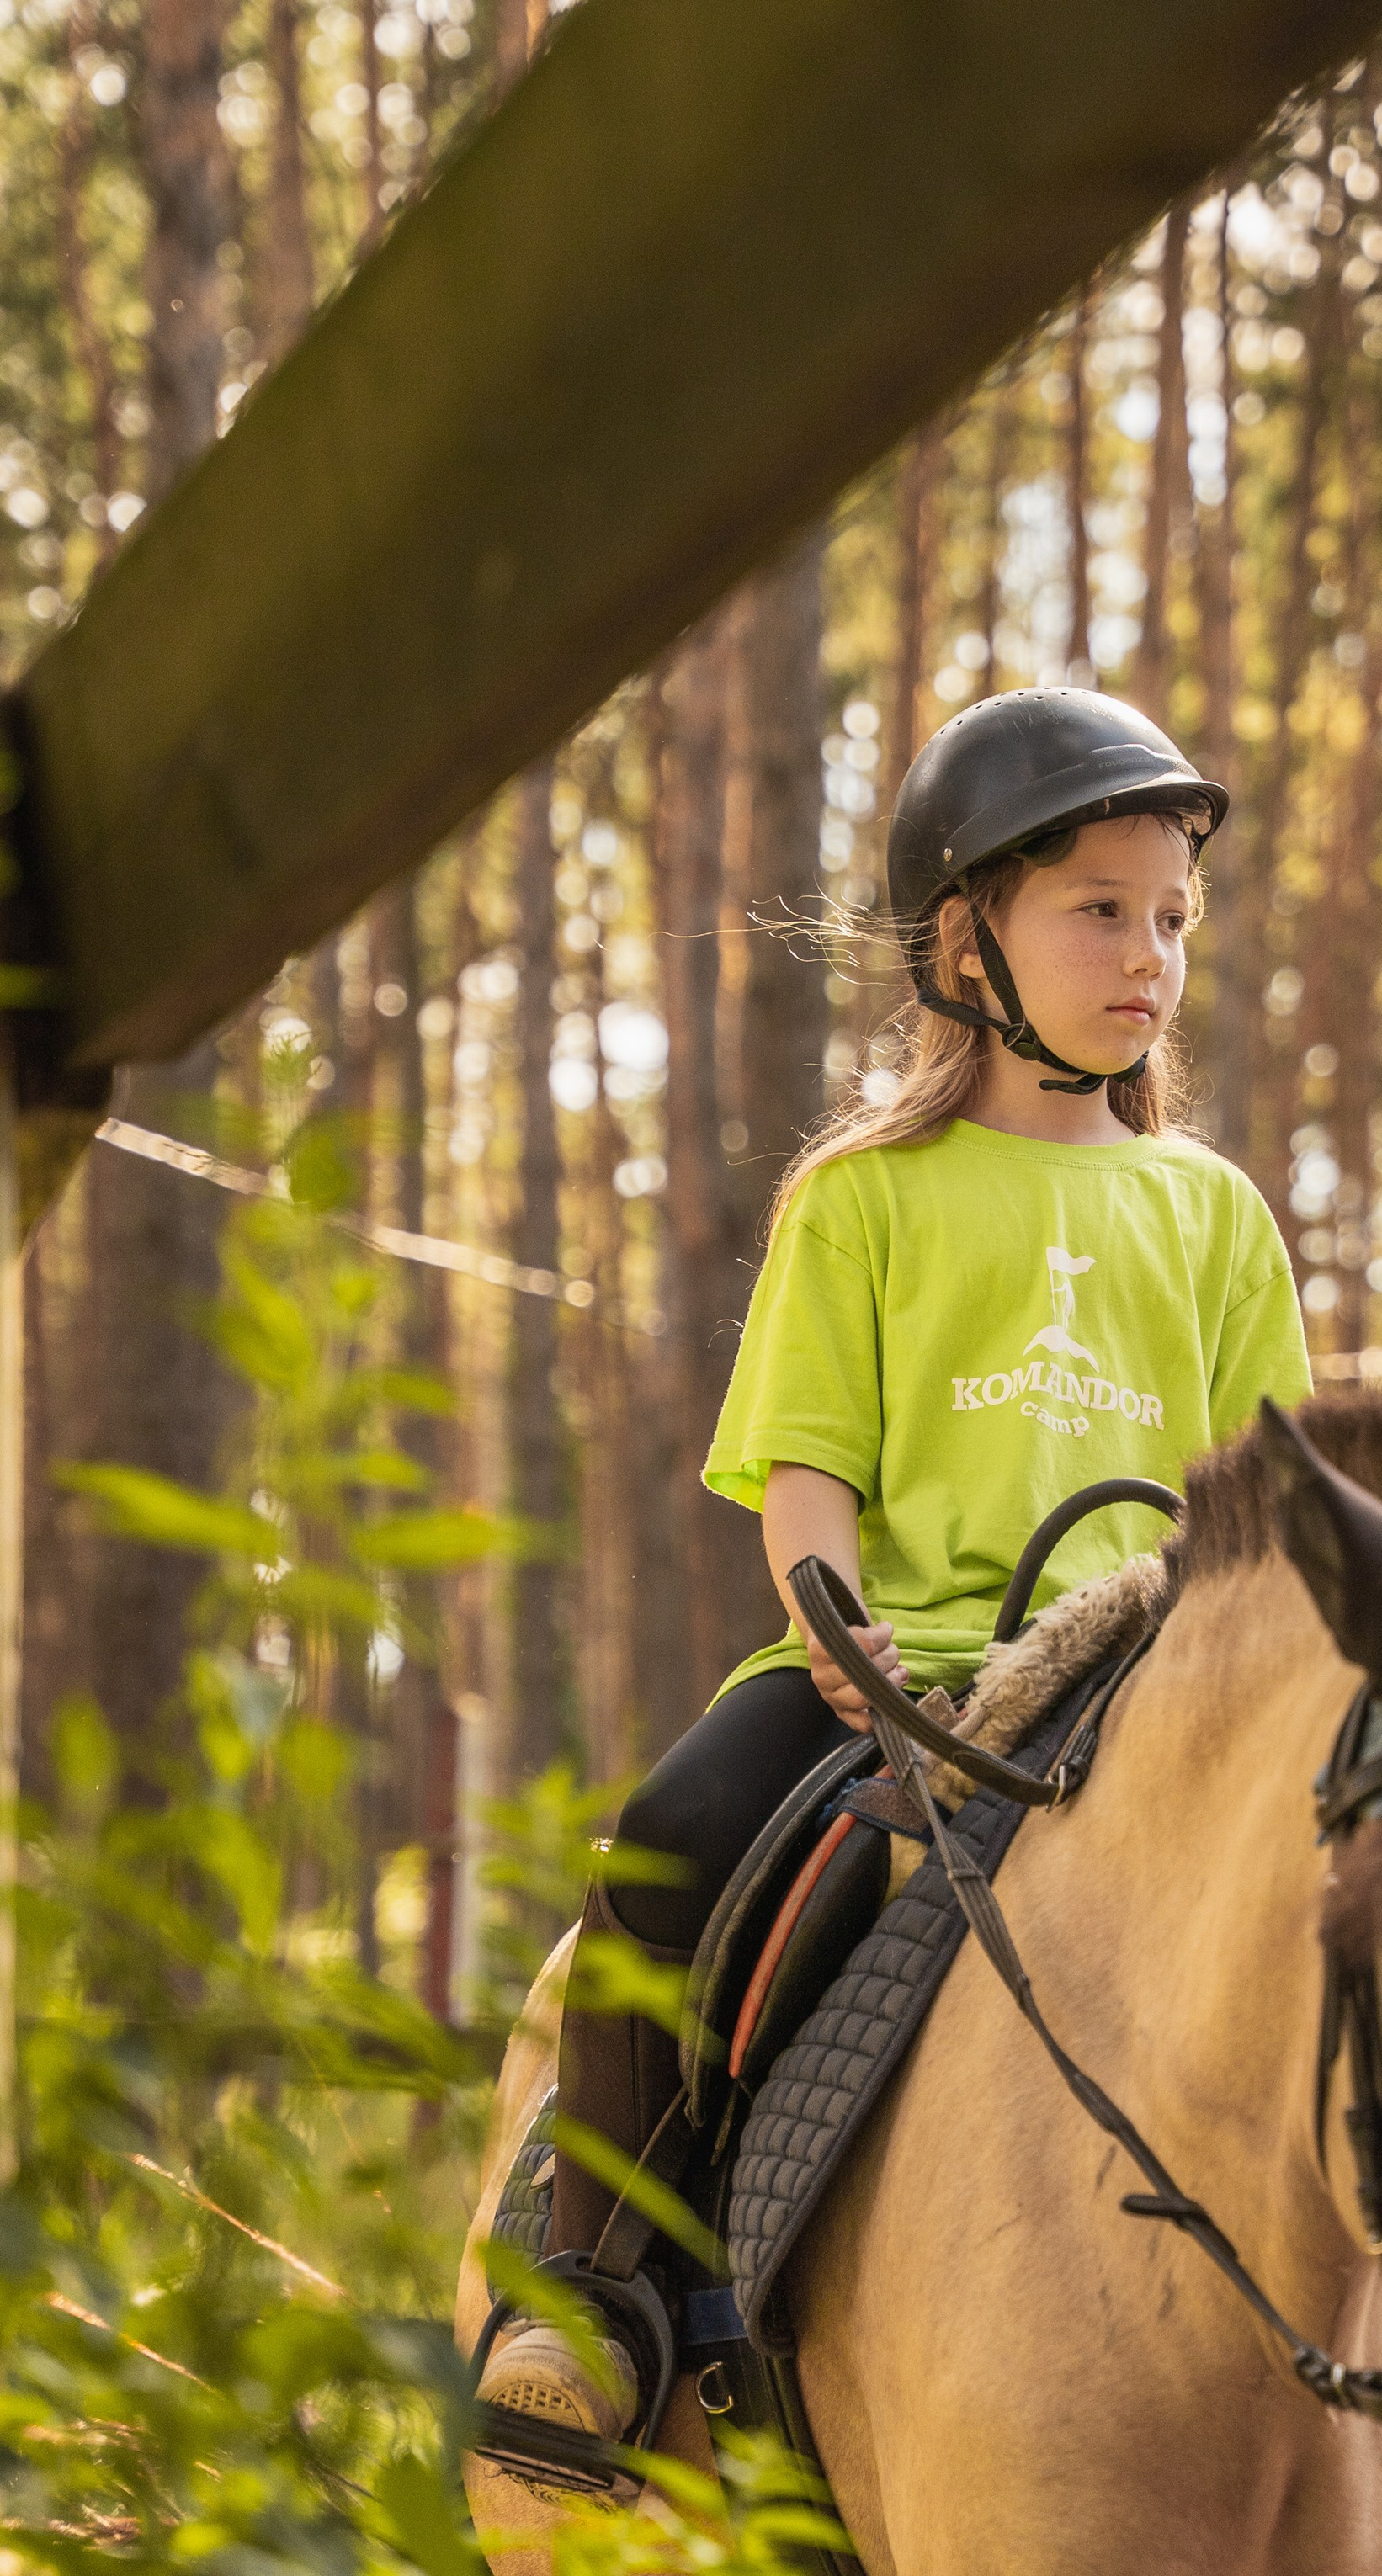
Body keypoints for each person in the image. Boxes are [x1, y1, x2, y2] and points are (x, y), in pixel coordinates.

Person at [478, 687, 1313, 2441]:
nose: (1145, 953)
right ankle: (601, 2298)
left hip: (1140, 1683)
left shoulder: (1216, 1216)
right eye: (1097, 907)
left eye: (1170, 916)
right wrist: (843, 1641)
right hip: (891, 1669)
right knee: (663, 1855)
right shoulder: (861, 1197)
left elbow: (1264, 1515)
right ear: (965, 938)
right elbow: (806, 1485)